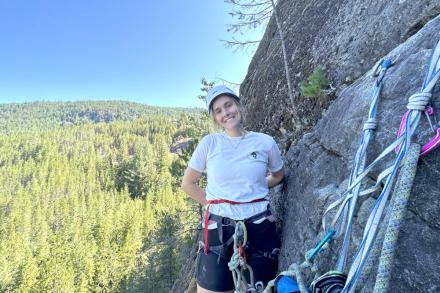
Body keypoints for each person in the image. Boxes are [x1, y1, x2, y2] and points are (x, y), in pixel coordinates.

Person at [181, 85, 284, 293]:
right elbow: (188, 183)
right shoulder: (210, 143)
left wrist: (253, 189)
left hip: (259, 226)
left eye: (228, 105)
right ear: (214, 118)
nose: (225, 113)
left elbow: (278, 175)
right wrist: (216, 204)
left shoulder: (264, 142)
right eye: (218, 111)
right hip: (218, 229)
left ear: (238, 105)